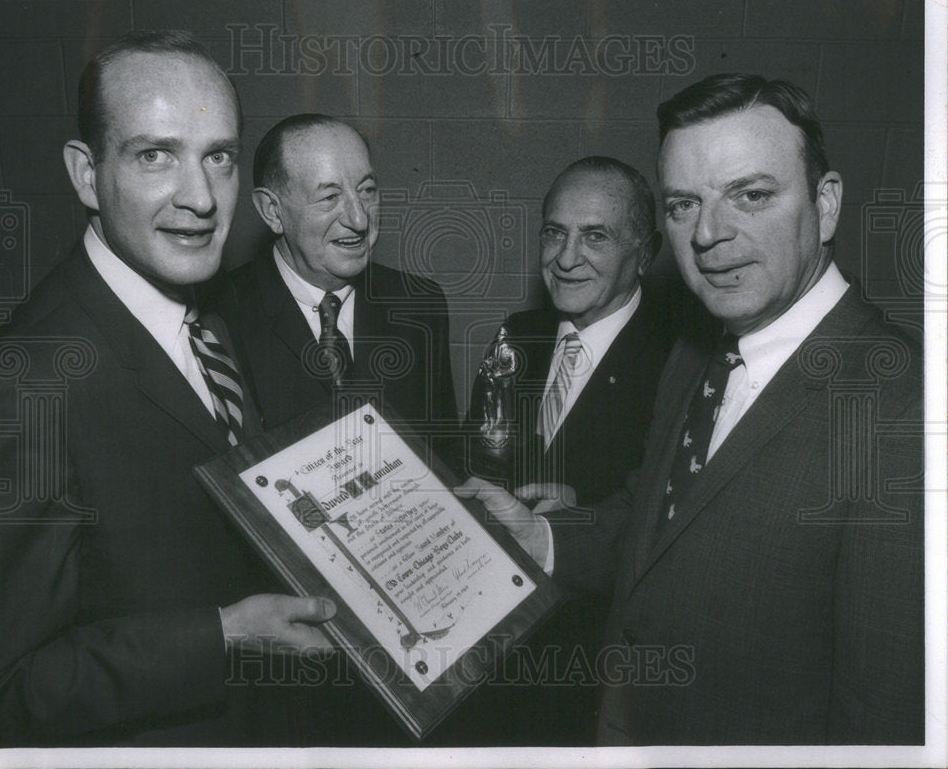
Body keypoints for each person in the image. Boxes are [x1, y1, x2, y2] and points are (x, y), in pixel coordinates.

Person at [458, 73, 924, 744]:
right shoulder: (698, 355)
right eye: (683, 204)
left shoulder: (901, 403)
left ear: (825, 205)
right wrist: (541, 537)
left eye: (752, 195)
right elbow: (649, 522)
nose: (709, 234)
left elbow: (882, 715)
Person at [0, 30, 336, 747]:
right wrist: (223, 634)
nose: (200, 198)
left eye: (219, 157)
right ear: (85, 174)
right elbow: (2, 690)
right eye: (155, 155)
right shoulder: (26, 380)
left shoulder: (213, 311)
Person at [457, 157, 685, 746]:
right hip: (490, 654)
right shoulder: (519, 334)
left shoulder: (680, 363)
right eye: (555, 232)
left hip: (592, 669)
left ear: (646, 252)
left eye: (596, 236)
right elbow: (476, 461)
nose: (565, 257)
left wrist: (578, 504)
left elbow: (673, 522)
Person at [211, 114, 458, 443]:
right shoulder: (220, 316)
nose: (359, 219)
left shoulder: (418, 303)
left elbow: (443, 454)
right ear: (272, 210)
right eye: (329, 197)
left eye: (367, 191)